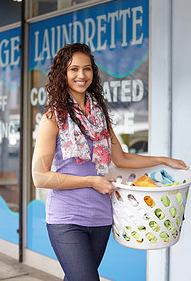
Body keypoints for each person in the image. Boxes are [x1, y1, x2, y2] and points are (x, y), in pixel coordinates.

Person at [32, 43, 189, 281]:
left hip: (101, 217)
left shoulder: (99, 115)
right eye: (74, 69)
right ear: (62, 73)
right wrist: (90, 181)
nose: (81, 75)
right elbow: (40, 176)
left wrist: (164, 160)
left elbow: (121, 158)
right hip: (67, 218)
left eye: (87, 69)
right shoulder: (53, 118)